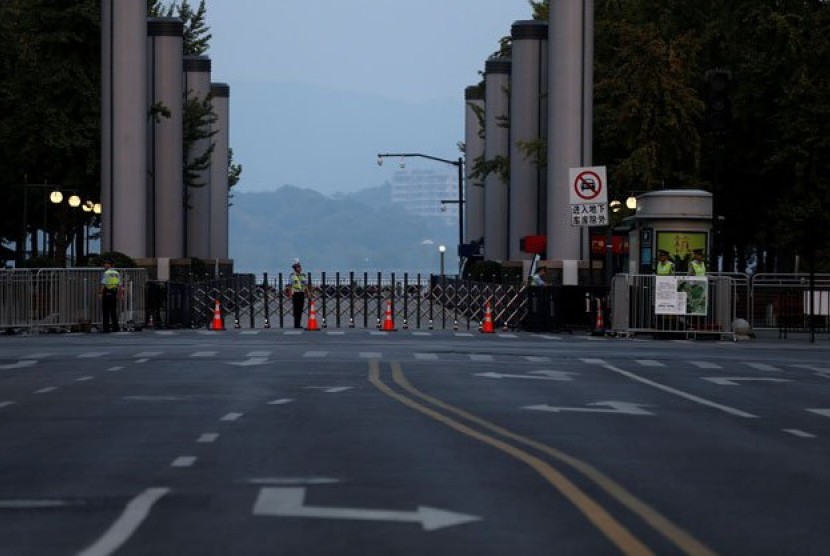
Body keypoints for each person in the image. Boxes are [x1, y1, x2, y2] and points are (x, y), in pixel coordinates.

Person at [99, 259, 122, 332]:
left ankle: (106, 328)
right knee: (113, 311)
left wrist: (100, 293)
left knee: (105, 311)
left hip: (107, 291)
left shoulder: (107, 273)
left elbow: (103, 284)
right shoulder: (117, 273)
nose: (104, 265)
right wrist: (120, 294)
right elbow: (120, 285)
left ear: (109, 265)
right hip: (114, 292)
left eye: (106, 264)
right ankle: (116, 327)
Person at [289, 260, 309, 329]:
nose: (299, 268)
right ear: (295, 269)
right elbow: (290, 285)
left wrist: (308, 293)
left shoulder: (303, 275)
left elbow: (305, 285)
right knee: (296, 309)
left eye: (300, 267)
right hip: (295, 293)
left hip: (302, 293)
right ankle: (296, 324)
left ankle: (298, 324)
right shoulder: (292, 275)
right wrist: (290, 294)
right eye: (298, 267)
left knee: (300, 309)